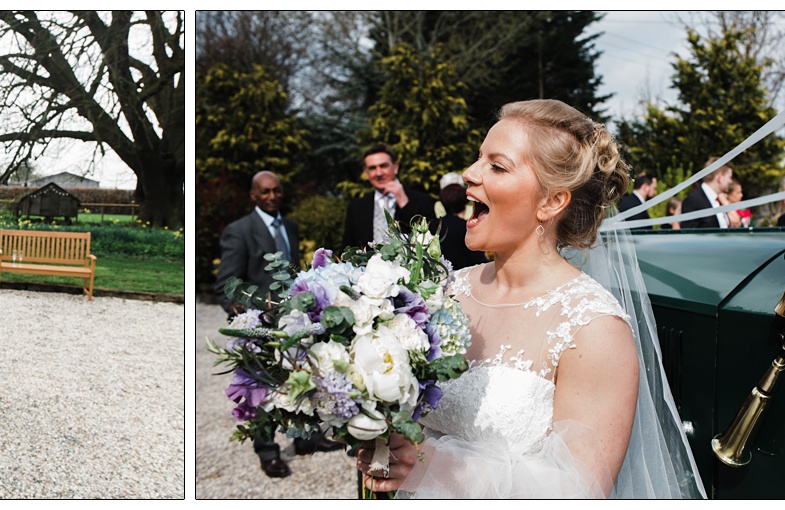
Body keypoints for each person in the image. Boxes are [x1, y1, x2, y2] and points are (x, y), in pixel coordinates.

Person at [358, 99, 703, 498]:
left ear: (551, 202)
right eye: (478, 159)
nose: (470, 174)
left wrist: (435, 468)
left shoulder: (593, 327)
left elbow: (581, 491)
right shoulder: (444, 292)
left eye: (497, 166)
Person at [212, 170, 344, 477]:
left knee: (303, 381)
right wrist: (250, 322)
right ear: (254, 196)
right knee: (260, 390)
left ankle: (306, 439)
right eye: (265, 192)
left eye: (276, 191)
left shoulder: (291, 227)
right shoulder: (239, 230)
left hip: (296, 322)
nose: (272, 196)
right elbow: (225, 286)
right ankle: (268, 451)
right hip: (260, 326)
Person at [342, 144, 438, 251]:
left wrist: (404, 203)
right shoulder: (356, 207)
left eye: (383, 166)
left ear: (395, 167)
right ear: (366, 173)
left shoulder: (422, 201)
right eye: (372, 168)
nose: (378, 173)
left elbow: (429, 240)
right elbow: (348, 248)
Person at [436, 183, 488, 269]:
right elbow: (479, 261)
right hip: (467, 275)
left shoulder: (433, 226)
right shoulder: (468, 228)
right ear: (465, 202)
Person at [679, 158, 732, 229]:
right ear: (720, 177)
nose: (730, 181)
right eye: (729, 177)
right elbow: (689, 234)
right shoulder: (693, 200)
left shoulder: (718, 201)